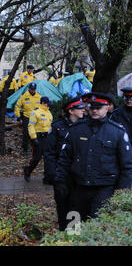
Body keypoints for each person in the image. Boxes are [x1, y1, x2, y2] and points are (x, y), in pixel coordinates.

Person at [55, 92, 132, 221]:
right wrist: (61, 182)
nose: (94, 111)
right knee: (73, 229)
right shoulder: (76, 130)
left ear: (107, 108)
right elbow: (65, 159)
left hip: (104, 189)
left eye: (98, 108)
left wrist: (122, 192)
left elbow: (127, 166)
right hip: (78, 188)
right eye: (92, 107)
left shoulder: (117, 132)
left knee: (96, 227)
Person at [44, 97, 85, 231]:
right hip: (61, 173)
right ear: (71, 111)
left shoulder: (83, 126)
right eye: (79, 108)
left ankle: (73, 233)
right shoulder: (57, 127)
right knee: (62, 203)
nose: (83, 110)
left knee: (76, 203)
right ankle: (63, 231)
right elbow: (49, 152)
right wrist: (52, 175)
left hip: (77, 173)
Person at [23, 96, 53, 182]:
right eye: (48, 104)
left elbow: (50, 126)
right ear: (43, 103)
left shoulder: (49, 113)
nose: (49, 105)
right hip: (38, 138)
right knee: (36, 158)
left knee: (48, 158)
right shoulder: (35, 112)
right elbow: (31, 125)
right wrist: (33, 138)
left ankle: (47, 177)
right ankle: (27, 171)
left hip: (47, 138)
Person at [14, 82, 42, 155]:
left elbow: (42, 107)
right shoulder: (24, 96)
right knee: (26, 134)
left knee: (35, 133)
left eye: (34, 89)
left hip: (36, 118)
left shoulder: (39, 96)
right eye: (31, 89)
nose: (32, 90)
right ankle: (25, 149)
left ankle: (35, 149)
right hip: (27, 117)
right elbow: (17, 106)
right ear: (29, 88)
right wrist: (18, 116)